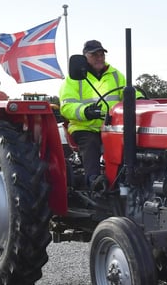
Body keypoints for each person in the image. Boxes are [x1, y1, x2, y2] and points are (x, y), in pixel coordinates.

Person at [59, 40, 143, 191]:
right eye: (94, 55)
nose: (99, 58)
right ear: (85, 57)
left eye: (101, 54)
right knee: (91, 144)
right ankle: (95, 183)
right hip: (85, 127)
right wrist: (86, 111)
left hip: (113, 128)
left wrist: (140, 99)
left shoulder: (116, 75)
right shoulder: (73, 79)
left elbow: (128, 92)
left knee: (134, 143)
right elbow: (66, 107)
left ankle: (132, 181)